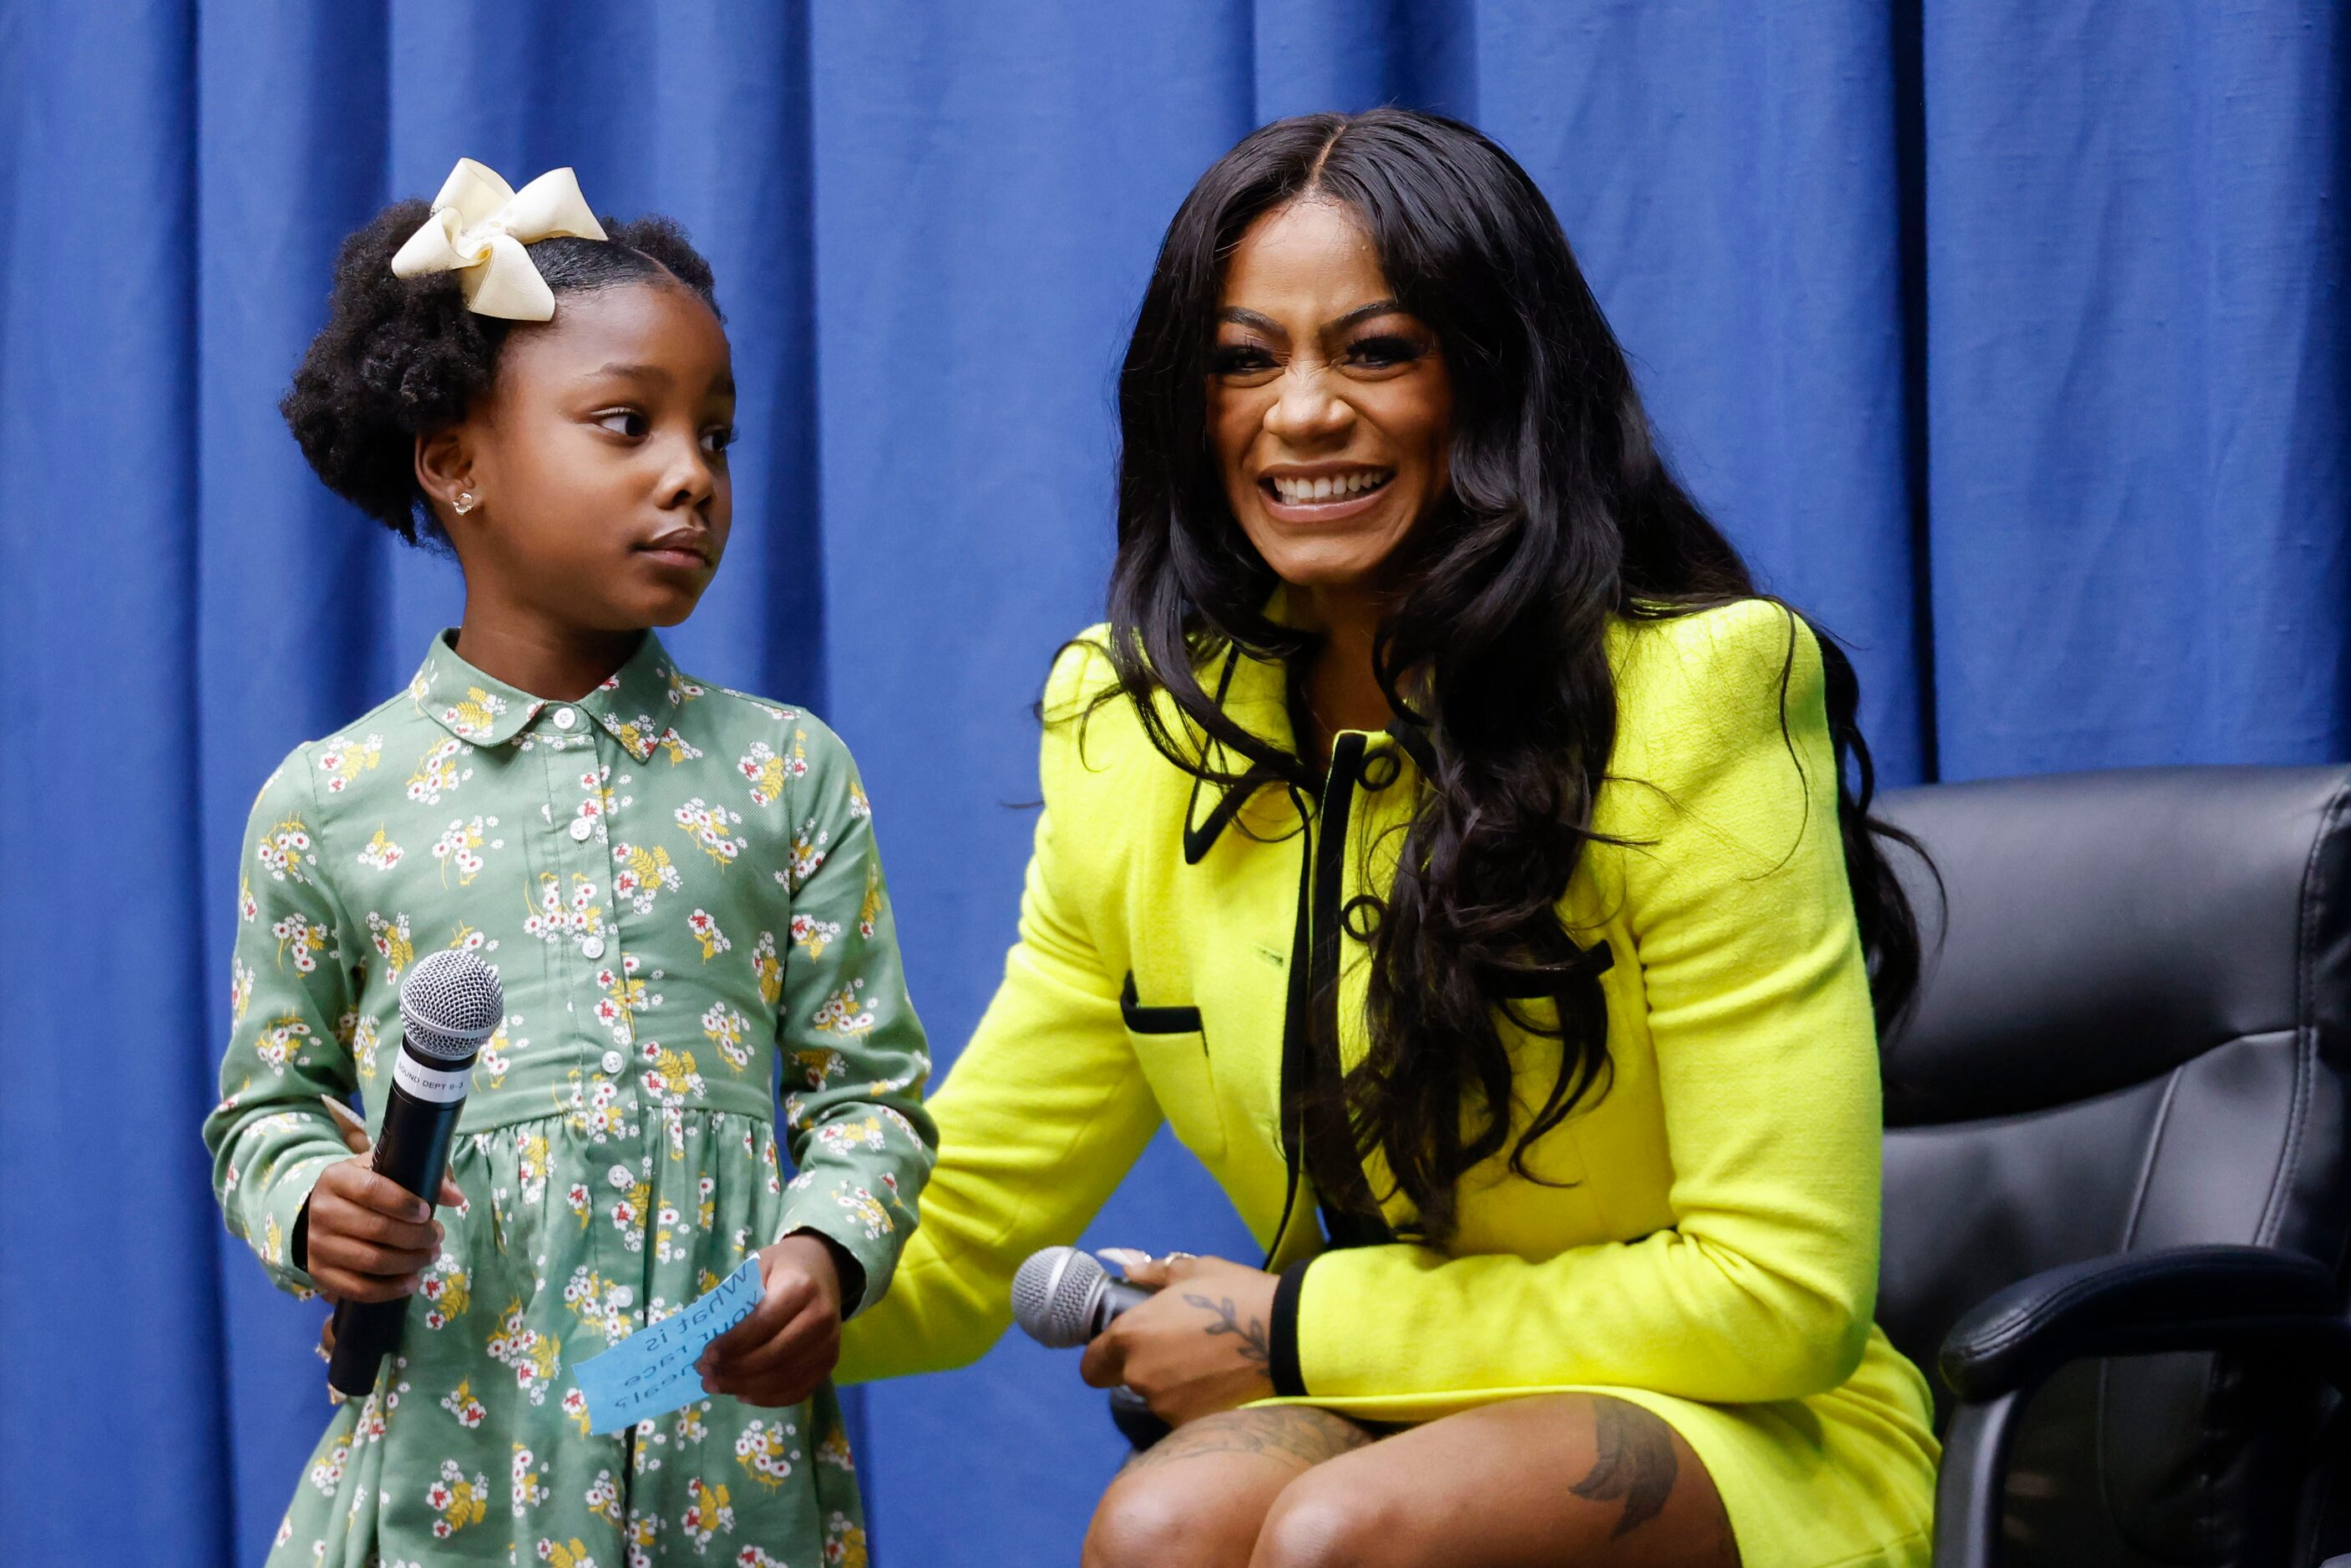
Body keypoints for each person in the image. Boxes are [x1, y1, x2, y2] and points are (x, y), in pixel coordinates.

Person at [836, 109, 1940, 1567]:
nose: (1300, 411)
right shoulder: (1136, 730)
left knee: (1350, 1533)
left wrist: (1291, 1323)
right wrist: (672, 1323)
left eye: (1374, 349)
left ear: (1493, 381)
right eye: (1245, 360)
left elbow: (1776, 1291)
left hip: (1739, 1420)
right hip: (1373, 1409)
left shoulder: (1698, 696)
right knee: (1165, 1522)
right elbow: (966, 1213)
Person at [203, 159, 935, 1567]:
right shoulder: (328, 800)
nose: (691, 476)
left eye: (716, 438)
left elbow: (875, 1095)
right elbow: (266, 1106)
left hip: (725, 1465)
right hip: (447, 1457)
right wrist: (313, 1203)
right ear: (455, 461)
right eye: (627, 424)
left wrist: (822, 1251)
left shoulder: (788, 774)